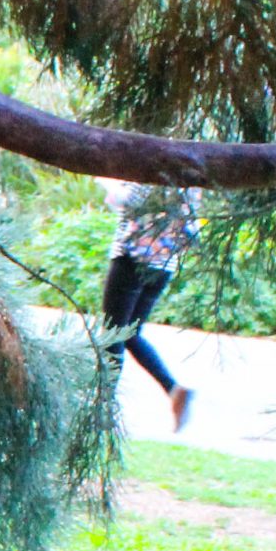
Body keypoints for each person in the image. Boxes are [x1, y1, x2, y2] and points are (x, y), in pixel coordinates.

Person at [99, 178, 199, 431]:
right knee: (130, 335)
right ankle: (174, 390)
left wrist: (105, 181)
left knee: (113, 335)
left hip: (133, 259)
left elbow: (126, 201)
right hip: (164, 264)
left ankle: (102, 409)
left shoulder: (151, 168)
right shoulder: (190, 177)